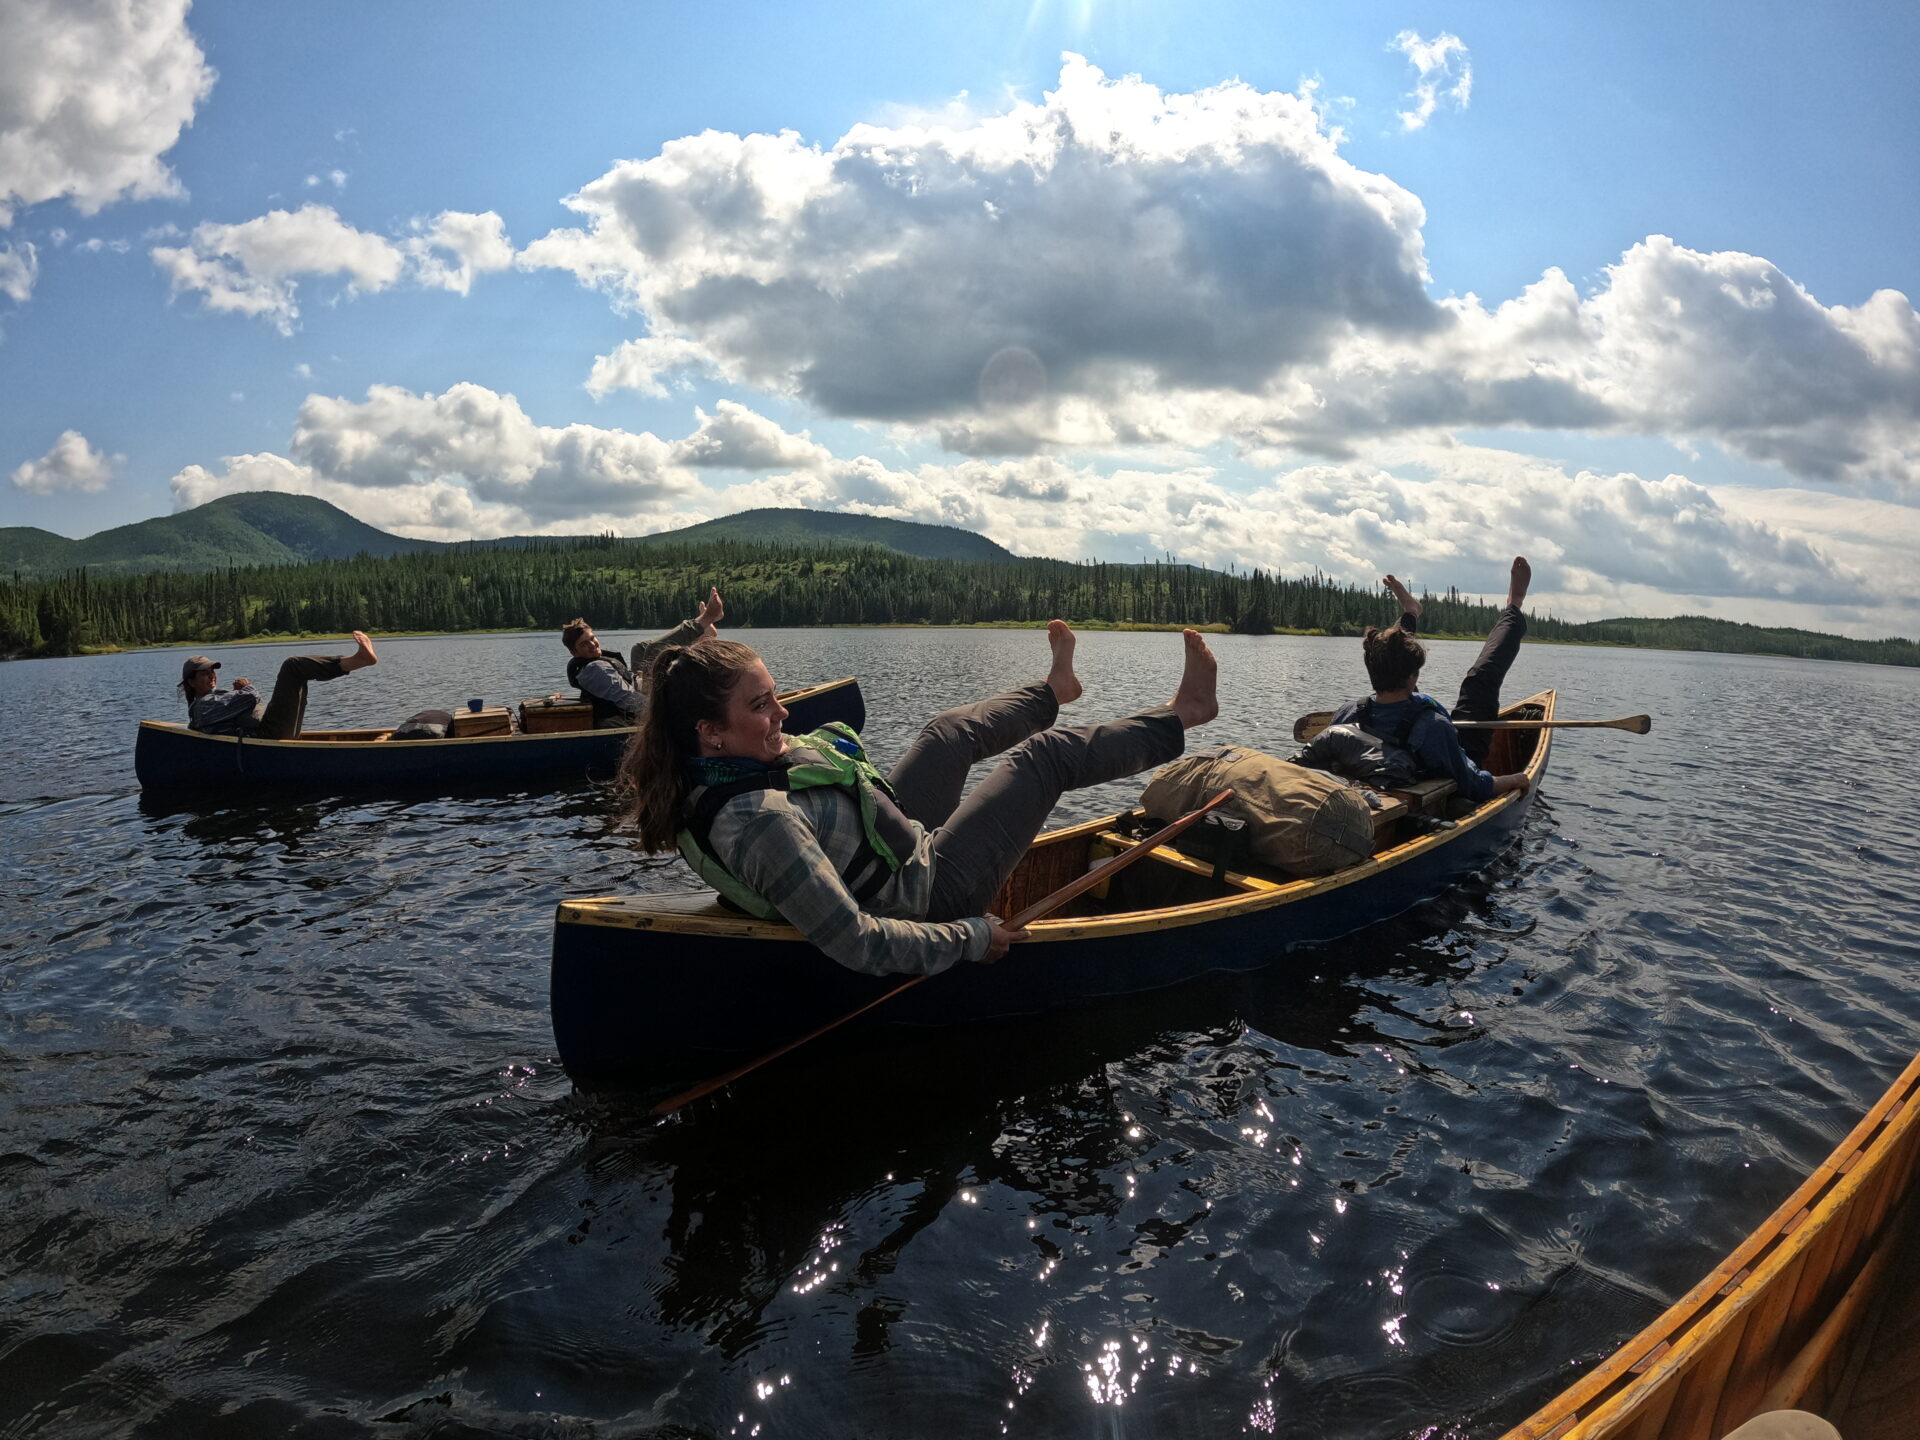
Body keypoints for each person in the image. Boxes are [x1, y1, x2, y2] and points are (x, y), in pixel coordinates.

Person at [618, 622, 1220, 977]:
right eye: (760, 706)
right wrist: (973, 937)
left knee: (946, 733)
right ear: (710, 731)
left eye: (775, 695)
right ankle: (1183, 715)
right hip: (931, 894)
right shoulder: (758, 824)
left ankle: (1055, 688)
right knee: (1045, 759)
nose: (783, 713)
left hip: (891, 842)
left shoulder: (724, 761)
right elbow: (857, 941)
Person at [1298, 558, 1533, 802]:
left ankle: (1410, 612)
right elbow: (1473, 785)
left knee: (1395, 666)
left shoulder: (1348, 712)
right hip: (1423, 779)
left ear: (1370, 670)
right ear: (1414, 677)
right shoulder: (1433, 726)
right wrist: (1515, 779)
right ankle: (1514, 605)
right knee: (1480, 681)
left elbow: (1392, 662)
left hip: (1406, 748)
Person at [564, 587, 725, 728]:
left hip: (641, 688)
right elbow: (628, 699)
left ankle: (700, 638)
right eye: (584, 644)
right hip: (640, 714)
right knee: (655, 651)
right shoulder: (594, 670)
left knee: (639, 649)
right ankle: (706, 619)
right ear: (574, 652)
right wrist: (666, 712)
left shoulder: (594, 663)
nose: (592, 645)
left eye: (592, 638)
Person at [179, 631, 380, 739]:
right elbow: (250, 697)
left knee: (299, 675)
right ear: (191, 682)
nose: (212, 676)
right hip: (268, 734)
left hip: (272, 731)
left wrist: (236, 693)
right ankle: (356, 661)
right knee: (292, 667)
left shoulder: (210, 703)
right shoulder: (202, 706)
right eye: (205, 674)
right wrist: (246, 687)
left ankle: (356, 660)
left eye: (212, 672)